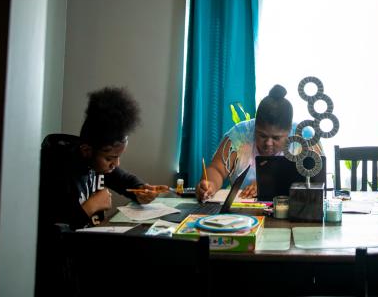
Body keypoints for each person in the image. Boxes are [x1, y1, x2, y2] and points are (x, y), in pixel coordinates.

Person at [37, 87, 168, 294]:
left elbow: (122, 178)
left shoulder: (98, 163)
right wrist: (91, 206)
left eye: (118, 157)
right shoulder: (62, 170)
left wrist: (141, 190)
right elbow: (55, 231)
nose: (115, 164)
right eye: (110, 158)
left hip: (91, 249)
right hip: (64, 264)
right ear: (87, 150)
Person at [196, 84, 320, 201]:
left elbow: (316, 181)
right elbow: (217, 169)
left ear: (289, 131)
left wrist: (269, 185)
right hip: (242, 216)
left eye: (276, 138)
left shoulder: (304, 137)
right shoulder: (239, 135)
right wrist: (210, 184)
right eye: (262, 135)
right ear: (254, 126)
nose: (268, 143)